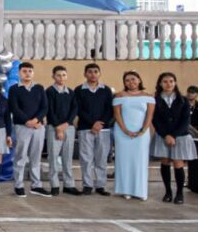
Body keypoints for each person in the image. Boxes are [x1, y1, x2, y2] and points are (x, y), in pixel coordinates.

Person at [152, 72, 197, 205]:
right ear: (160, 84)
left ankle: (179, 193)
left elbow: (185, 120)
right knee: (165, 162)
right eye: (165, 81)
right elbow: (155, 120)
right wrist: (165, 135)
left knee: (178, 163)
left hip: (180, 136)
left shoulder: (183, 100)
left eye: (171, 81)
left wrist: (174, 135)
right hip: (163, 136)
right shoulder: (155, 100)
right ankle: (168, 192)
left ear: (175, 83)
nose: (168, 84)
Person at [112, 72, 156, 200]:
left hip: (141, 134)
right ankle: (125, 190)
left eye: (133, 79)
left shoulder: (148, 96)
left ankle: (140, 191)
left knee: (140, 161)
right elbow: (117, 115)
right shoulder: (119, 95)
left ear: (139, 80)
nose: (131, 82)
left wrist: (143, 130)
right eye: (127, 80)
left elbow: (149, 115)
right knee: (124, 160)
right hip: (122, 132)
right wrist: (125, 130)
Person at [9, 62, 49, 198]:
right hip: (22, 126)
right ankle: (19, 185)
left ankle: (36, 185)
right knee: (20, 156)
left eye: (30, 71)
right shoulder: (14, 89)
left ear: (33, 73)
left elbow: (45, 107)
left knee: (36, 157)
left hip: (38, 127)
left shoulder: (39, 88)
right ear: (19, 73)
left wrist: (37, 120)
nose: (27, 73)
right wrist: (27, 121)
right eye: (24, 71)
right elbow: (14, 108)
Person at [75, 63, 114, 196]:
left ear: (99, 74)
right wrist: (93, 123)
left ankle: (100, 185)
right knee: (86, 158)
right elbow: (78, 109)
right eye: (90, 72)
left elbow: (109, 109)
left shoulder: (106, 90)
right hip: (85, 129)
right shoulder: (79, 90)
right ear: (85, 74)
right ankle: (87, 185)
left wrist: (100, 123)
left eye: (96, 71)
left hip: (103, 129)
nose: (93, 74)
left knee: (101, 158)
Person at [45, 66, 81, 196]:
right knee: (53, 157)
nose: (61, 77)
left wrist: (66, 124)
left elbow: (74, 109)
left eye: (64, 75)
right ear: (53, 76)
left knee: (67, 157)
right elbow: (49, 110)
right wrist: (58, 127)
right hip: (53, 128)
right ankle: (54, 185)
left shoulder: (70, 92)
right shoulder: (49, 91)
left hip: (68, 128)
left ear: (67, 76)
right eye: (58, 75)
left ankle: (69, 185)